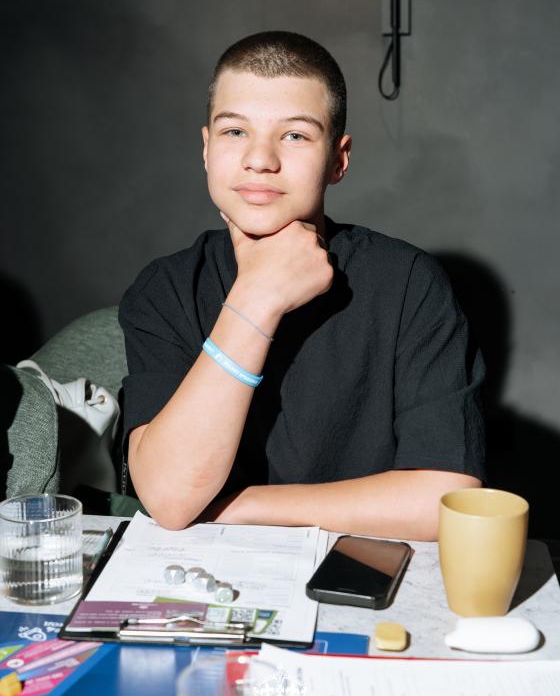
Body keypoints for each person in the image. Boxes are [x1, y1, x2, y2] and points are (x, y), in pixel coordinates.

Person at [119, 31, 485, 540]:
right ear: (206, 149)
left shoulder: (408, 282)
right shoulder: (166, 288)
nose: (260, 159)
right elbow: (170, 497)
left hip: (357, 564)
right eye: (234, 131)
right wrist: (257, 297)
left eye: (294, 136)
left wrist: (242, 506)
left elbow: (447, 500)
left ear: (338, 159)